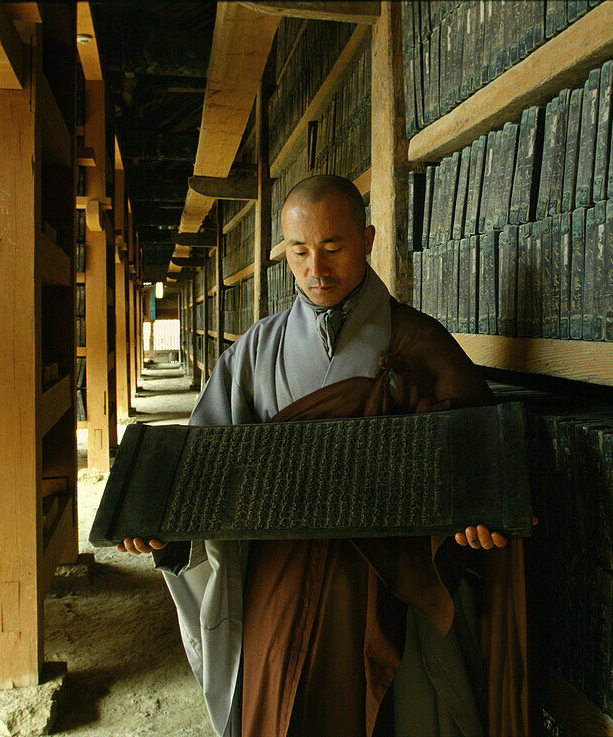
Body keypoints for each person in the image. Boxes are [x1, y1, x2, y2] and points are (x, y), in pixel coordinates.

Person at [119, 175, 527, 737]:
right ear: (283, 253)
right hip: (278, 587)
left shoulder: (419, 346)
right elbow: (200, 471)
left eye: (333, 248)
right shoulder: (253, 354)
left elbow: (476, 469)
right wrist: (162, 529)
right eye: (299, 251)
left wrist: (474, 525)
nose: (317, 269)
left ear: (367, 239)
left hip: (385, 589)